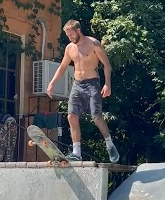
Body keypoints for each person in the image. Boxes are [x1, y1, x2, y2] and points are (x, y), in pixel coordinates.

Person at [46, 19, 119, 163]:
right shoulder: (69, 48)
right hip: (77, 84)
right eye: (67, 36)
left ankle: (110, 144)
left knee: (96, 117)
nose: (70, 38)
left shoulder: (93, 44)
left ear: (78, 31)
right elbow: (62, 67)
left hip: (93, 84)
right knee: (71, 116)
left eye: (71, 35)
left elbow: (106, 65)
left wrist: (107, 84)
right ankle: (76, 152)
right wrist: (52, 83)